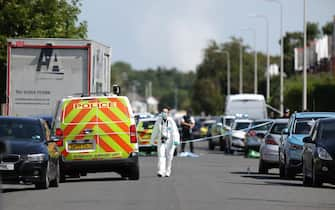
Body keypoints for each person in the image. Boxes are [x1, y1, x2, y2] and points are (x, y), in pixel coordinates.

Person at [150, 107, 180, 177]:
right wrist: (152, 140)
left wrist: (176, 140)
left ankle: (168, 171)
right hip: (161, 141)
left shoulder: (171, 121)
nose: (164, 113)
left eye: (166, 112)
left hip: (170, 141)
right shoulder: (158, 121)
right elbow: (155, 131)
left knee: (169, 157)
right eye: (163, 112)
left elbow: (175, 131)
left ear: (168, 113)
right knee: (161, 155)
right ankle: (161, 171)